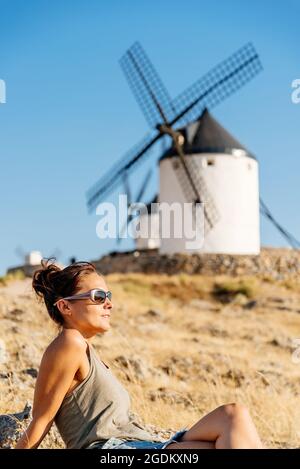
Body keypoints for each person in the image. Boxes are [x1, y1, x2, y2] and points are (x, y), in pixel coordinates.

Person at [15, 259, 263, 449]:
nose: (108, 303)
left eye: (108, 296)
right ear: (65, 306)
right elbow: (41, 419)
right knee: (232, 419)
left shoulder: (86, 349)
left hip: (141, 444)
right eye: (98, 297)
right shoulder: (70, 343)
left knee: (232, 419)